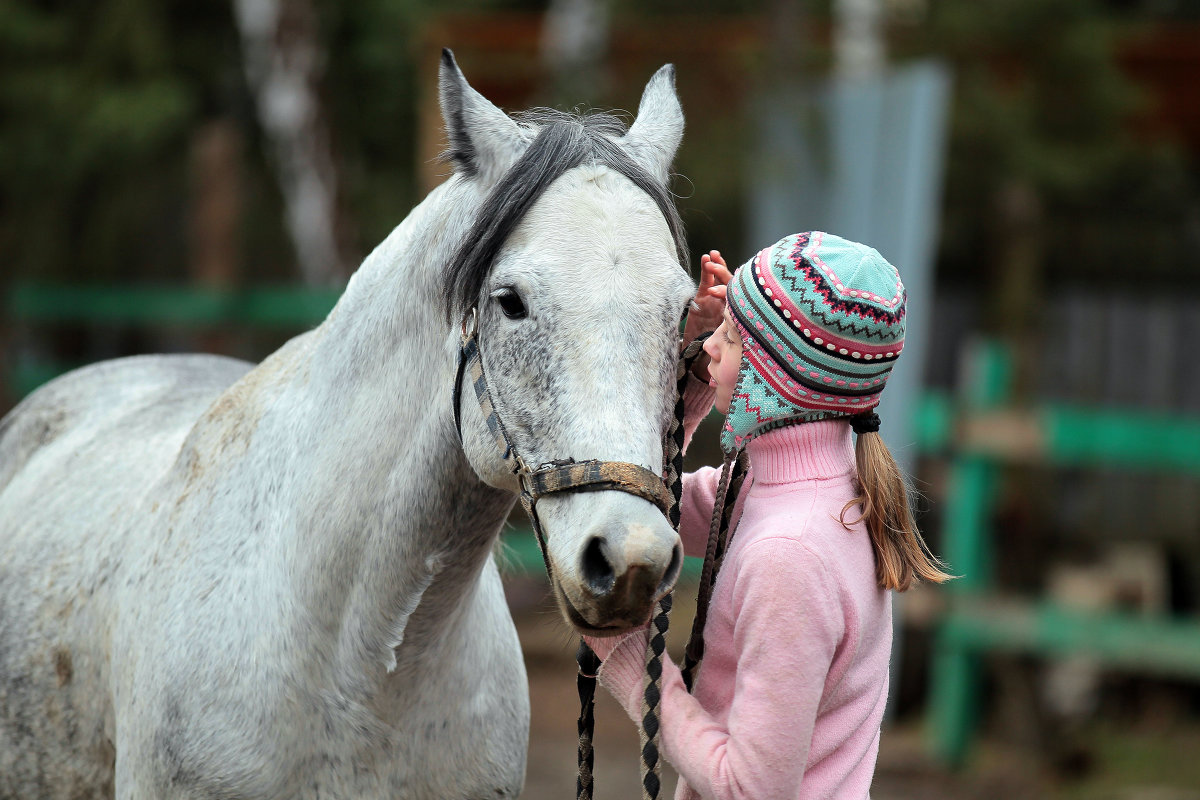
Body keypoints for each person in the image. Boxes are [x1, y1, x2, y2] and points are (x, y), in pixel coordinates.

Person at [585, 231, 951, 800]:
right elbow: (655, 503)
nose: (711, 348)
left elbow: (749, 789)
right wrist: (699, 380)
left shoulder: (791, 553)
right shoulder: (791, 487)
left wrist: (634, 665)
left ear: (772, 377)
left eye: (730, 340)